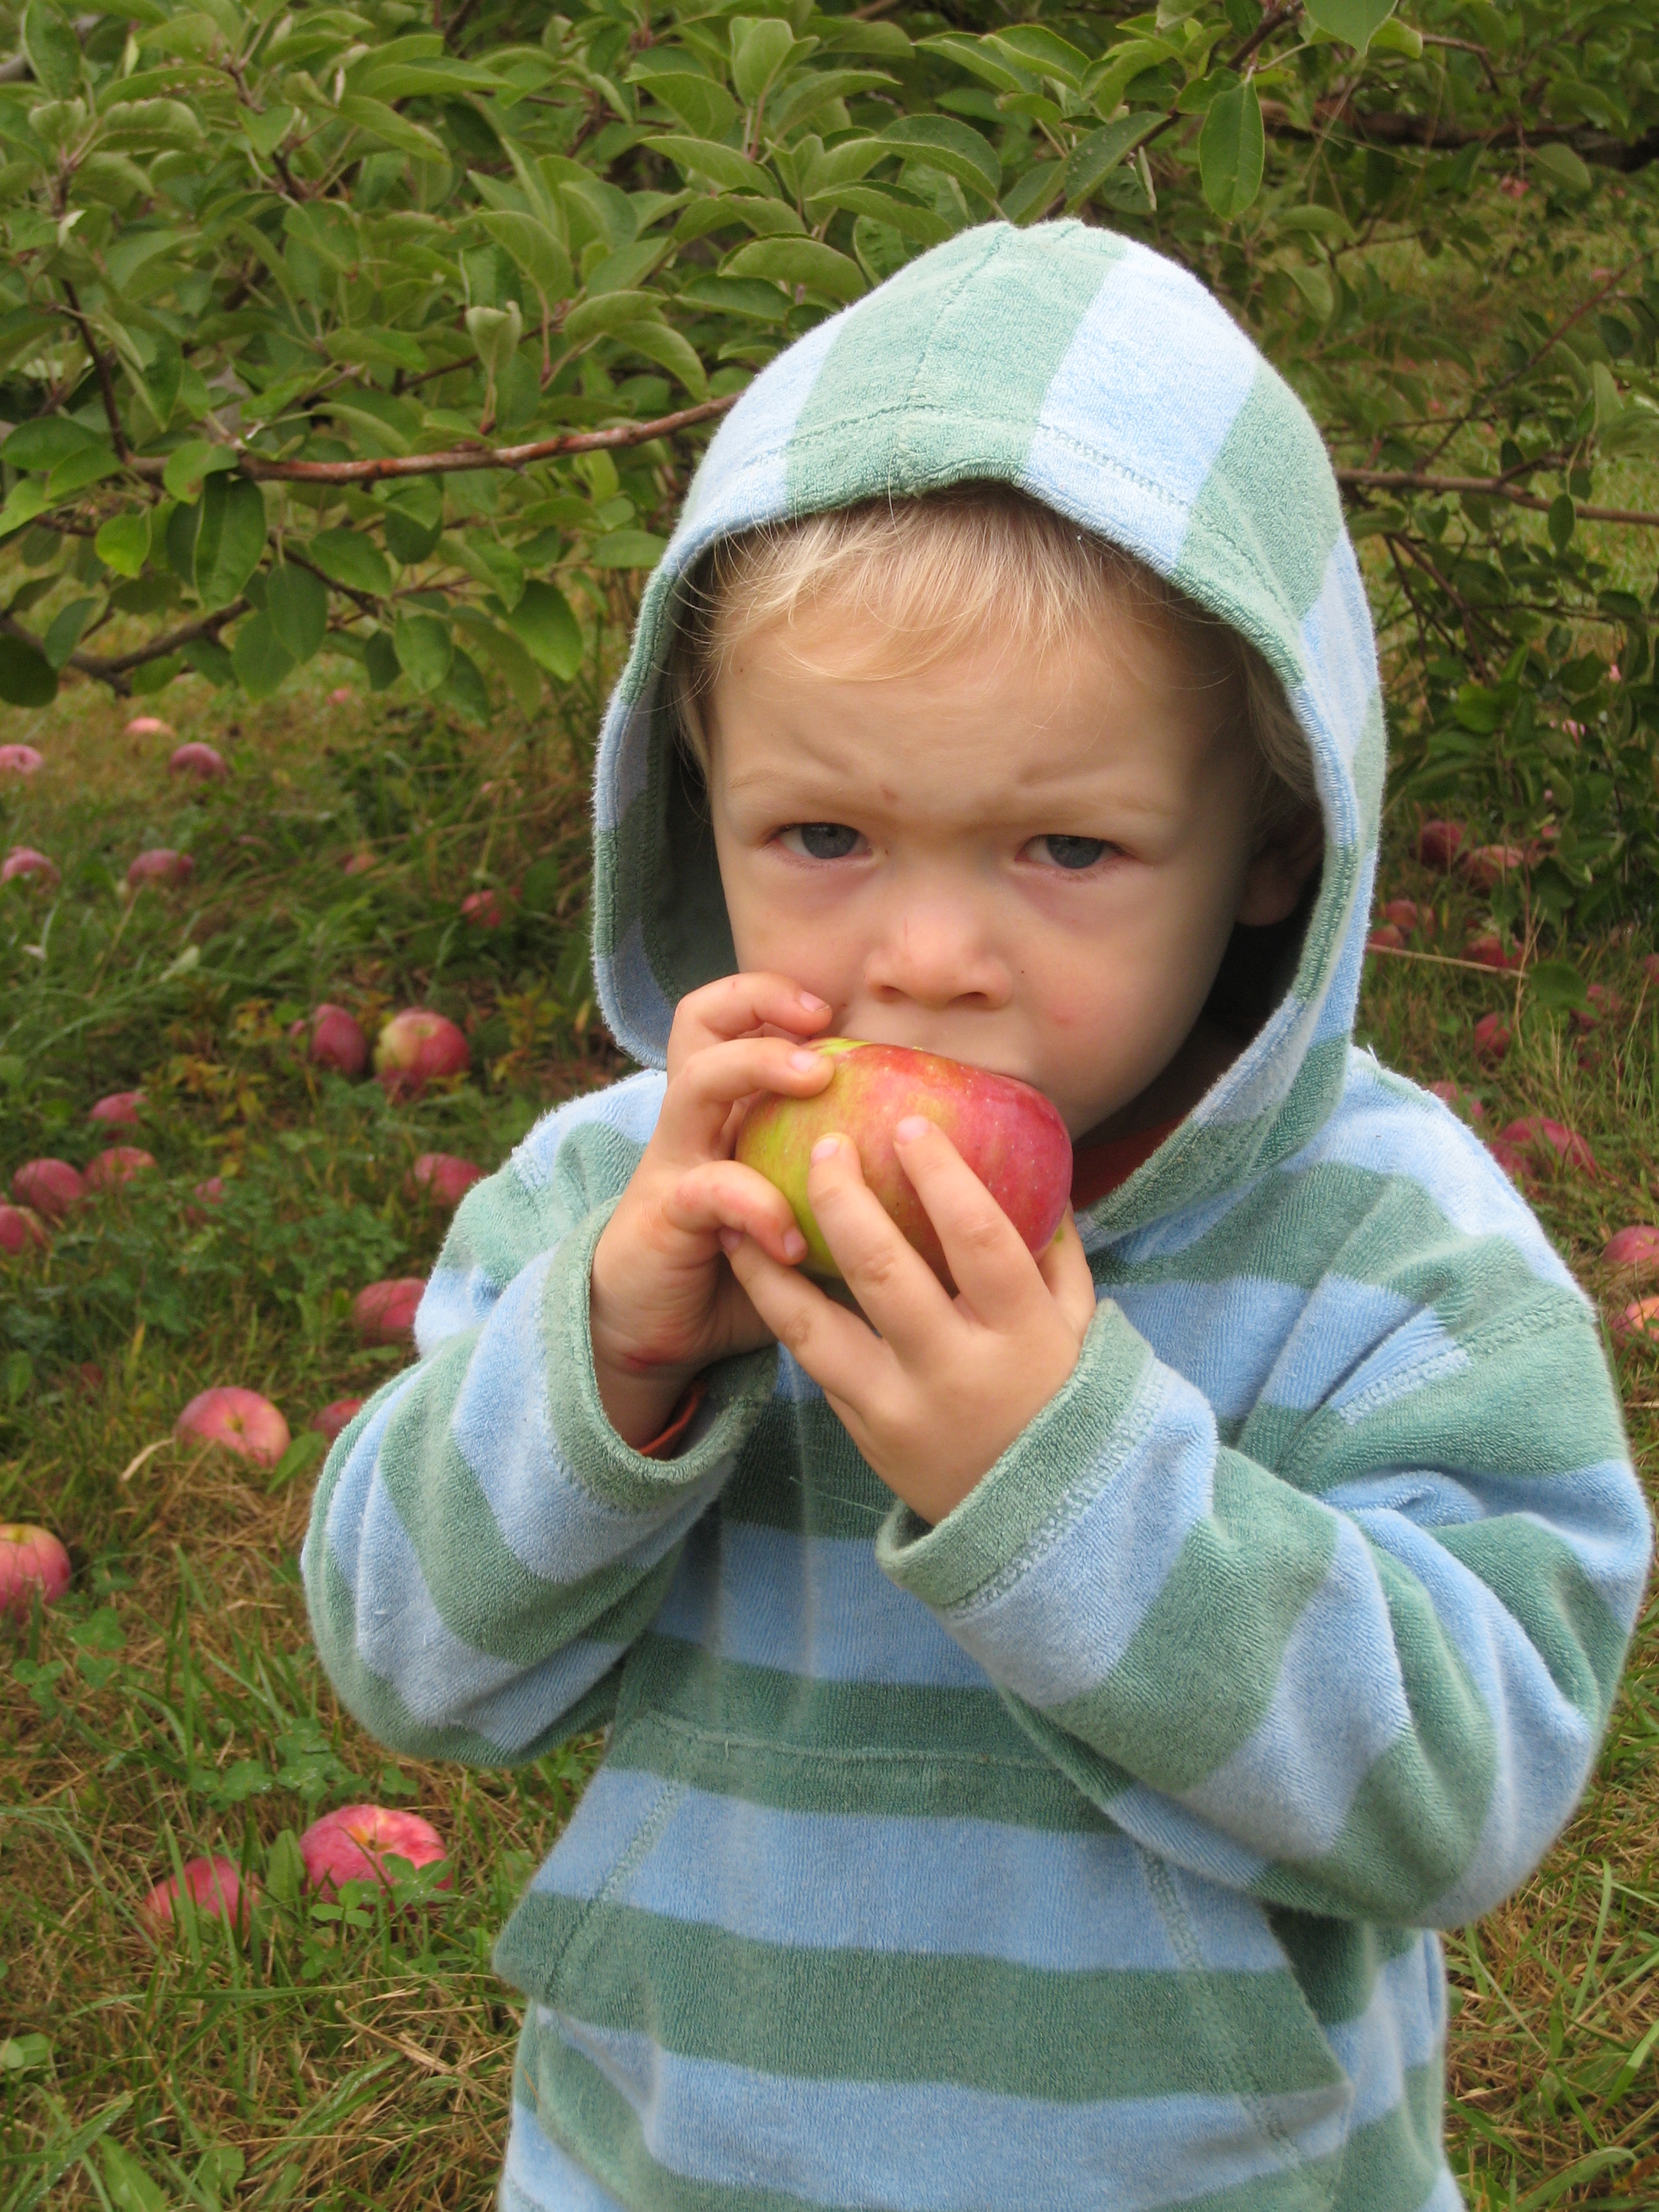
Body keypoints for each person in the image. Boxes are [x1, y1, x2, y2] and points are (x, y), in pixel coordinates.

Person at [302, 222, 1650, 2212]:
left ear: (1274, 842)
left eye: (1068, 848)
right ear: (698, 798)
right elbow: (404, 1663)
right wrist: (610, 1368)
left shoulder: (1384, 1250)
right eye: (822, 835)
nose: (927, 958)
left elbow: (1464, 1789)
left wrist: (1063, 1486)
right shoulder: (638, 1197)